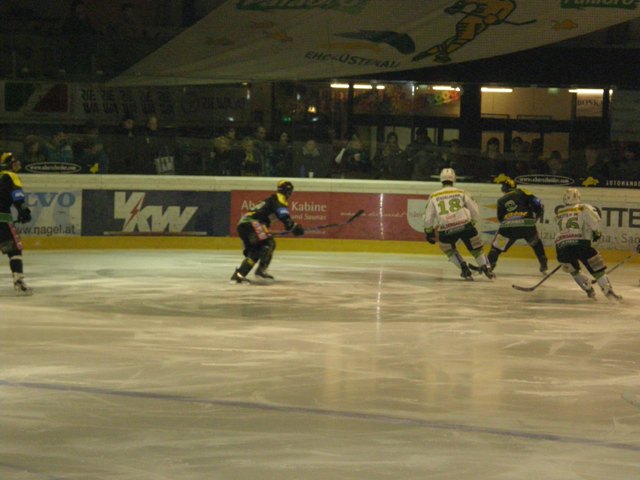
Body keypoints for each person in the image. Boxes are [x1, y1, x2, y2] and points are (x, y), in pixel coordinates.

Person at [423, 168, 495, 280]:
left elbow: (428, 217)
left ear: (441, 179)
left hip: (445, 230)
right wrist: (472, 222)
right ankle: (486, 268)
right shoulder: (461, 192)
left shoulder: (434, 196)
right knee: (476, 249)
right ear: (454, 179)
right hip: (465, 225)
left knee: (449, 250)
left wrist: (429, 232)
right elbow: (474, 209)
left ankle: (464, 268)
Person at [230, 180, 305, 284]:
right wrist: (293, 226)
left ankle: (238, 276)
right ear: (288, 192)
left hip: (244, 224)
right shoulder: (279, 198)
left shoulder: (272, 199)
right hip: (253, 223)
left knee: (255, 252)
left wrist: (292, 227)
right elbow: (283, 215)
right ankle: (261, 271)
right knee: (268, 243)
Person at [554, 188, 621, 301]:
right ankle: (608, 291)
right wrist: (596, 233)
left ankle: (588, 289)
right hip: (581, 244)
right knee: (597, 268)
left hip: (561, 247)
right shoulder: (584, 207)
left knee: (573, 270)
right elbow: (595, 223)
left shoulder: (559, 212)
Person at [487, 176, 547, 273]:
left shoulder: (501, 200)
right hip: (527, 225)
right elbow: (537, 203)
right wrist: (536, 215)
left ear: (504, 188)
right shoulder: (523, 192)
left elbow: (500, 218)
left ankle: (489, 265)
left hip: (508, 227)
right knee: (536, 243)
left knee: (496, 247)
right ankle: (543, 261)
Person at [0, 153, 33, 295]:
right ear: (10, 164)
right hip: (2, 219)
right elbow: (16, 193)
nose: (19, 164)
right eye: (16, 162)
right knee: (14, 250)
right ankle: (19, 282)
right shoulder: (10, 175)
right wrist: (22, 210)